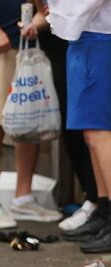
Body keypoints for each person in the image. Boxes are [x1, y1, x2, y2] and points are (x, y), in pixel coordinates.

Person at [0, 0, 62, 229]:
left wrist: (37, 23)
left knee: (29, 126)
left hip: (29, 48)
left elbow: (44, 9)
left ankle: (23, 197)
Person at [21, 1, 99, 233]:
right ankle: (93, 200)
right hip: (58, 45)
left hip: (87, 40)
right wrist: (38, 20)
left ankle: (98, 203)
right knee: (73, 125)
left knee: (91, 128)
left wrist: (46, 19)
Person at [46, 0, 111, 253]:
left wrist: (57, 15)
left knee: (99, 133)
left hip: (100, 35)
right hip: (88, 35)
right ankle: (103, 211)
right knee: (91, 132)